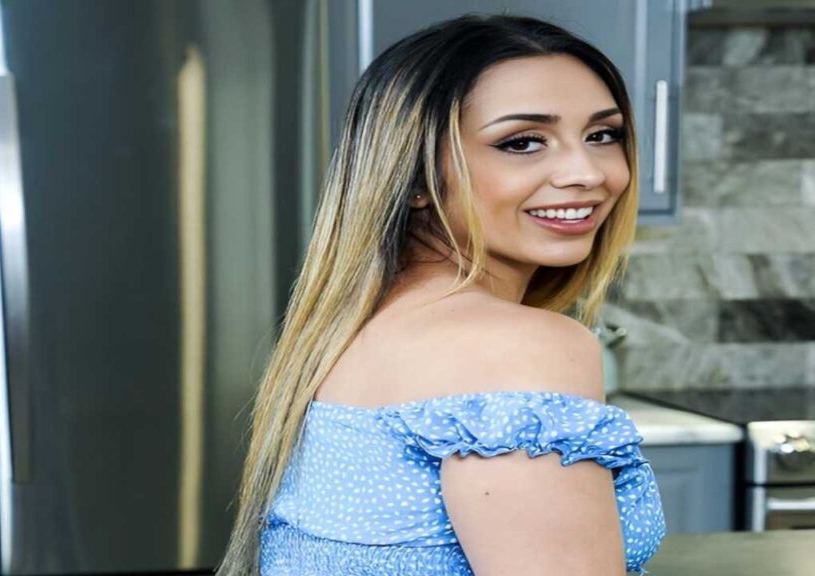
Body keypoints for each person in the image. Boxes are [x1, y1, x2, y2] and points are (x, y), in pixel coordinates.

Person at [217, 12, 667, 576]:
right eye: (523, 142)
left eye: (604, 135)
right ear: (415, 181)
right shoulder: (517, 348)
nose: (587, 172)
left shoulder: (351, 333)